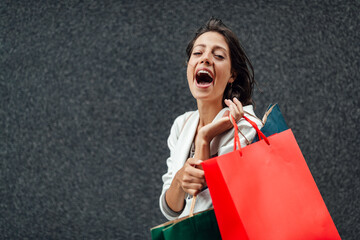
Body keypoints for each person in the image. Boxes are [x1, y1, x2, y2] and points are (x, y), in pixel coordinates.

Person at [159, 18, 263, 220]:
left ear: (232, 74)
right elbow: (171, 211)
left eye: (218, 55)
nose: (205, 59)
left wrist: (204, 138)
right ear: (189, 66)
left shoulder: (247, 129)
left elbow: (210, 215)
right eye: (198, 53)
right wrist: (179, 179)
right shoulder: (182, 125)